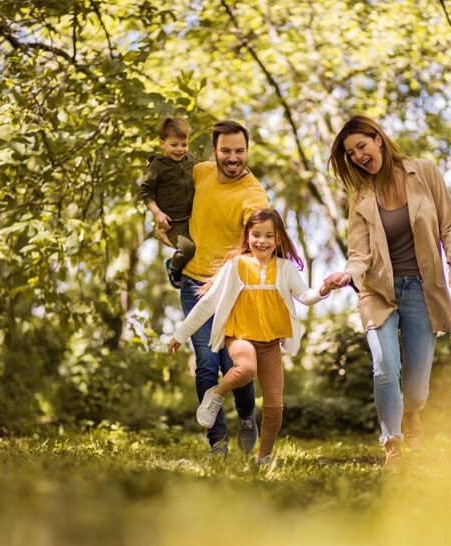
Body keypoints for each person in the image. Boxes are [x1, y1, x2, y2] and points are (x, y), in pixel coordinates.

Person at [326, 114, 451, 468]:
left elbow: (448, 224)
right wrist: (346, 275)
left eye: (361, 146)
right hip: (377, 291)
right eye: (351, 153)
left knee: (416, 387)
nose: (358, 156)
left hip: (422, 288)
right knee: (385, 366)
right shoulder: (360, 196)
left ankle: (412, 412)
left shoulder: (424, 172)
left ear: (378, 139)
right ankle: (392, 444)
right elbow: (359, 253)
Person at [169, 209, 340, 464]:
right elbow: (208, 304)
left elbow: (305, 296)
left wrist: (325, 288)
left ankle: (264, 458)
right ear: (247, 236)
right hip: (240, 337)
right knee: (246, 369)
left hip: (270, 343)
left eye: (269, 235)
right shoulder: (236, 265)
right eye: (256, 234)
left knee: (274, 406)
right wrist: (180, 335)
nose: (262, 241)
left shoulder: (285, 268)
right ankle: (215, 394)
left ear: (278, 238)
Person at [177, 121, 269, 458]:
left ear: (247, 151)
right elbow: (170, 182)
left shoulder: (253, 193)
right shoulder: (200, 172)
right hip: (194, 284)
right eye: (226, 151)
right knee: (205, 363)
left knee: (235, 362)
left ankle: (246, 417)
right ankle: (217, 440)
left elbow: (260, 226)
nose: (233, 158)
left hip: (233, 290)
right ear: (214, 151)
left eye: (239, 151)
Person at [140, 117, 198, 288]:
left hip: (192, 216)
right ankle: (173, 267)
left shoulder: (191, 160)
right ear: (162, 143)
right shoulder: (158, 167)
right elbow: (145, 191)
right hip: (172, 222)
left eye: (184, 144)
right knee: (188, 249)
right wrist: (157, 213)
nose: (180, 149)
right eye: (174, 145)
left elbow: (205, 172)